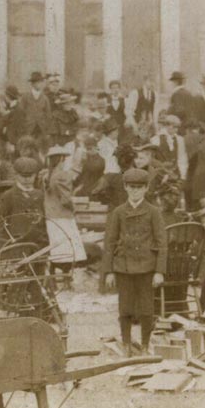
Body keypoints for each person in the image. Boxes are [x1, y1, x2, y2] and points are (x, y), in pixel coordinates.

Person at [101, 168, 166, 352]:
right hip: (124, 268)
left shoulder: (153, 212)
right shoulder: (118, 212)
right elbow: (110, 243)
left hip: (147, 267)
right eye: (131, 187)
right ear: (125, 188)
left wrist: (160, 271)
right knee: (125, 309)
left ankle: (145, 344)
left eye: (139, 187)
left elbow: (162, 243)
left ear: (146, 188)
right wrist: (109, 271)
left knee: (147, 310)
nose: (135, 191)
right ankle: (127, 344)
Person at [43, 144, 87, 275]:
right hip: (63, 216)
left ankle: (54, 274)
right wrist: (74, 208)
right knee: (68, 249)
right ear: (61, 159)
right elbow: (65, 199)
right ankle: (67, 277)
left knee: (55, 247)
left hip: (51, 215)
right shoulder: (63, 175)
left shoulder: (47, 175)